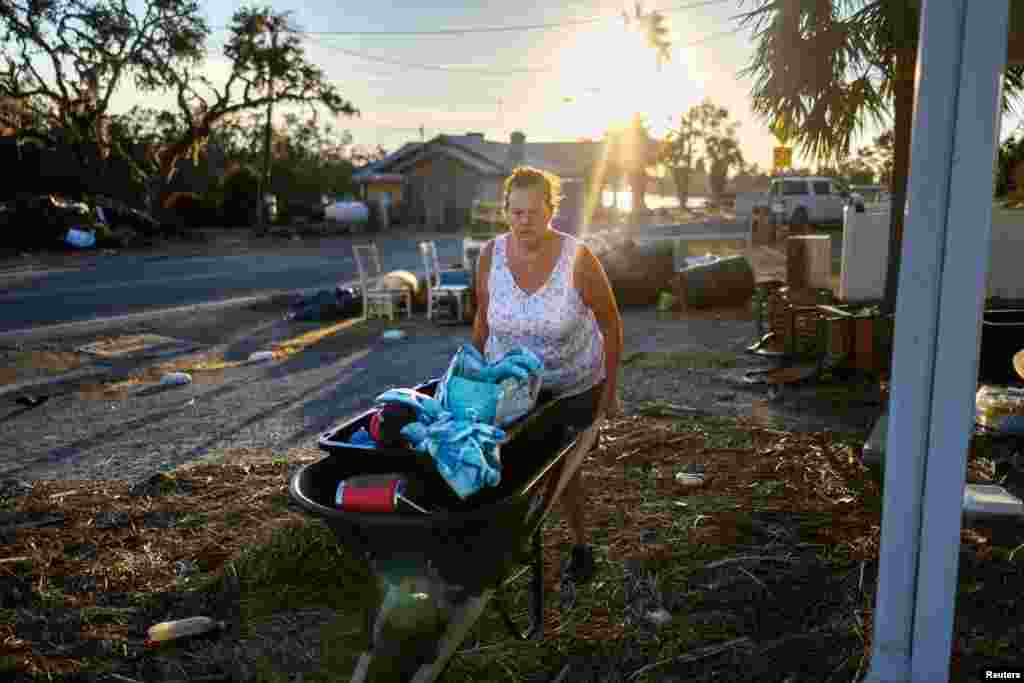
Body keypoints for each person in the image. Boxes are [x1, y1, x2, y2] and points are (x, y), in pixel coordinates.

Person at [471, 165, 623, 586]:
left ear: (551, 211)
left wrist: (610, 393)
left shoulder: (578, 258)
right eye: (516, 212)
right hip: (511, 383)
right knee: (504, 462)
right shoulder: (490, 256)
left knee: (564, 469)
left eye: (533, 212)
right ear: (505, 211)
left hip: (570, 383)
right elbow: (483, 320)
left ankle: (580, 546)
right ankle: (500, 542)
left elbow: (610, 322)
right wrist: (473, 375)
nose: (524, 222)